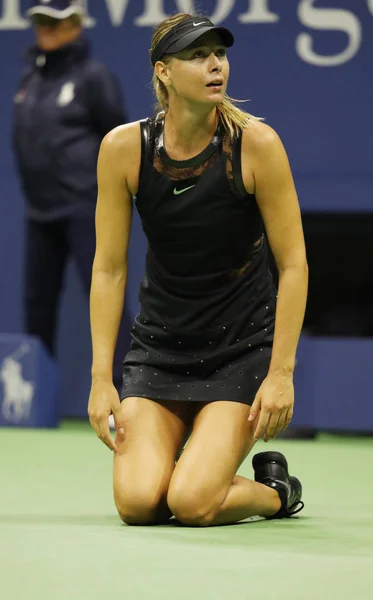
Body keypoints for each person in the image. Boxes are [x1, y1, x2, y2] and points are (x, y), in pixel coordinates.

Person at [88, 13, 308, 527]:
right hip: (160, 349)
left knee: (191, 504)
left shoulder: (256, 145)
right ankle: (195, 457)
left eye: (220, 54)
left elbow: (294, 264)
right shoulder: (124, 149)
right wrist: (103, 379)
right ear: (163, 72)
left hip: (241, 350)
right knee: (138, 503)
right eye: (196, 55)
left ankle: (277, 490)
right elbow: (108, 269)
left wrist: (281, 373)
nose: (215, 65)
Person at [12, 0, 132, 392]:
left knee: (105, 294)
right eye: (40, 21)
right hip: (40, 210)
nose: (45, 29)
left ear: (77, 25)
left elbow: (118, 140)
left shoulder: (94, 78)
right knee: (36, 303)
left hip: (86, 206)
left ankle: (127, 391)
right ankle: (34, 397)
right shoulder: (30, 78)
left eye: (55, 22)